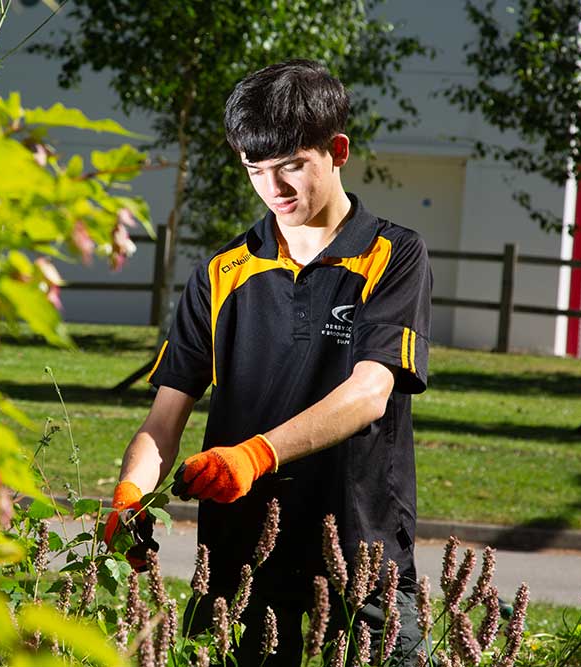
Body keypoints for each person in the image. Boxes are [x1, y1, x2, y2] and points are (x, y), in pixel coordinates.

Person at [103, 60, 432, 666]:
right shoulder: (221, 272)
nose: (274, 188)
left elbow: (369, 393)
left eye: (291, 167)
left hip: (362, 540)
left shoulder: (394, 253)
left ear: (337, 151)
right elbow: (164, 418)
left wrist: (255, 454)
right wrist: (132, 491)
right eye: (256, 170)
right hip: (239, 550)